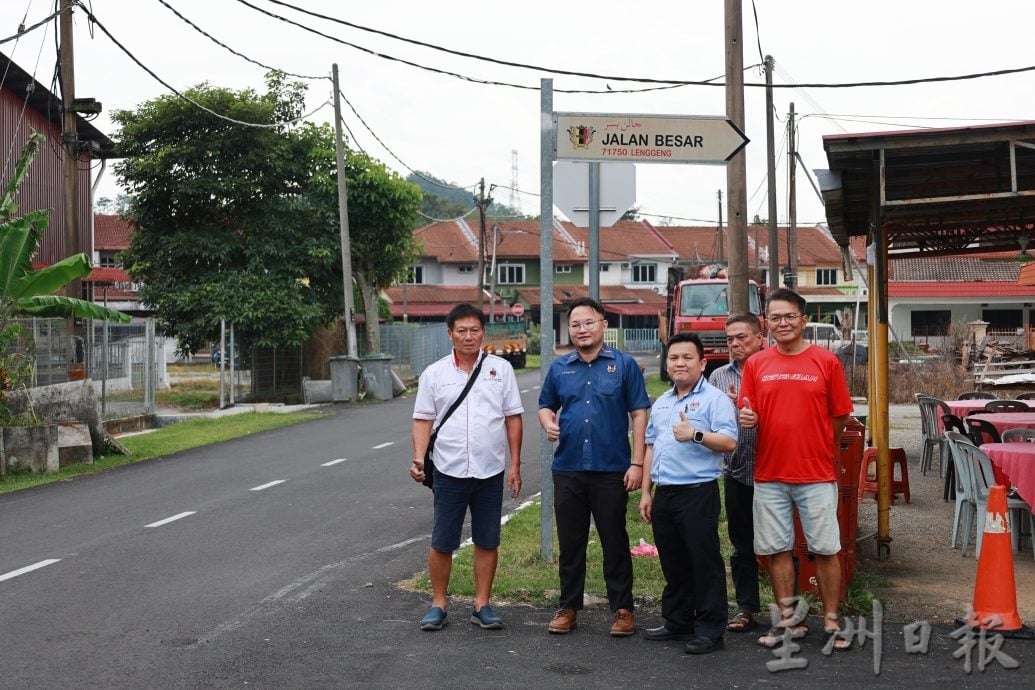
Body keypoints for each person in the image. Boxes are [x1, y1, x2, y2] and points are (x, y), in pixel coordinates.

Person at [738, 289, 854, 649]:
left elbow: (840, 416)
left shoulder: (826, 361)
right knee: (776, 549)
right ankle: (789, 621)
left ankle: (832, 620)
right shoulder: (757, 364)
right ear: (766, 324)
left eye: (789, 316)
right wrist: (747, 418)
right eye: (775, 318)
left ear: (803, 321)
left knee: (825, 548)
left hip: (816, 473)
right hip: (769, 473)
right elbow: (748, 414)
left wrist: (816, 443)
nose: (783, 323)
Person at [538, 296, 650, 636]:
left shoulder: (624, 364)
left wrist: (637, 463)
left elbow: (639, 413)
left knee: (614, 540)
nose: (582, 329)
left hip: (612, 468)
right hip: (569, 467)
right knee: (571, 543)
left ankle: (623, 610)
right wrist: (548, 423)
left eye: (588, 322)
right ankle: (568, 607)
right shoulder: (560, 367)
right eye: (575, 324)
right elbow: (545, 405)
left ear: (603, 325)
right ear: (569, 330)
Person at [410, 303, 523, 632]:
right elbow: (422, 420)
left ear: (483, 333)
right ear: (450, 334)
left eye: (475, 330)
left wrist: (515, 465)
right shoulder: (435, 374)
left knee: (488, 539)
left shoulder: (501, 370)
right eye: (462, 331)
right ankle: (438, 604)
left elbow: (513, 418)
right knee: (442, 540)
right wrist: (419, 457)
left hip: (490, 470)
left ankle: (482, 605)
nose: (469, 336)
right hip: (448, 469)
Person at [639, 332, 738, 654]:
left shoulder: (715, 399)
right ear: (666, 363)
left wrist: (695, 434)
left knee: (704, 562)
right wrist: (646, 491)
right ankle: (678, 622)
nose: (679, 363)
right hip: (665, 492)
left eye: (687, 358)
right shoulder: (664, 402)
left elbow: (729, 442)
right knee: (674, 561)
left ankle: (710, 630)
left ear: (702, 363)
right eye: (673, 358)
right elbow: (650, 445)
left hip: (698, 492)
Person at [708, 313, 766, 633]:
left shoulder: (772, 371)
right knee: (741, 543)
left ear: (760, 337)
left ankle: (791, 608)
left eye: (742, 337)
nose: (735, 344)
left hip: (773, 470)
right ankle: (746, 607)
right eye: (730, 338)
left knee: (780, 543)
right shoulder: (719, 377)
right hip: (736, 470)